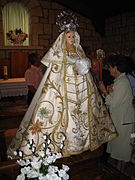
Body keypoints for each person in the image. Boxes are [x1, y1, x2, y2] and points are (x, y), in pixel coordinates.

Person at [7, 10, 117, 159]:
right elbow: (56, 73)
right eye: (69, 36)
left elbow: (84, 72)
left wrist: (83, 67)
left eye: (73, 36)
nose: (71, 39)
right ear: (63, 38)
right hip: (64, 91)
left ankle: (84, 141)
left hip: (81, 92)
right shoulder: (59, 55)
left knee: (84, 115)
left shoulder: (79, 53)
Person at [99, 54, 135, 173]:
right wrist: (108, 92)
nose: (108, 69)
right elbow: (112, 102)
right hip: (120, 120)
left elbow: (113, 103)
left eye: (110, 67)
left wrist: (105, 91)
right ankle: (119, 172)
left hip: (124, 122)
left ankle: (121, 174)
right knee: (120, 152)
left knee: (123, 152)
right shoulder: (119, 81)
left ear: (116, 68)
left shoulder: (123, 83)